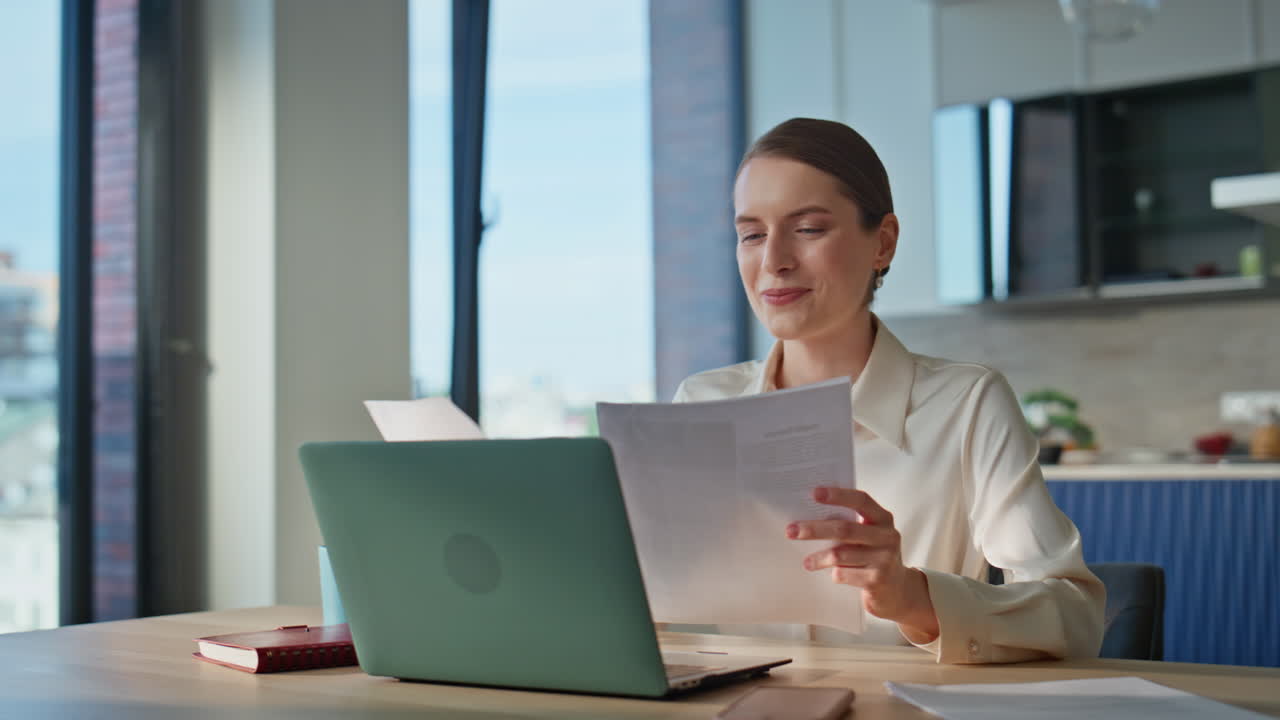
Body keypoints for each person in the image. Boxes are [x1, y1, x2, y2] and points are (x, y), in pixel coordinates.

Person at [671, 118, 1105, 664]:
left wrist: (912, 596)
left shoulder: (967, 406)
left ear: (883, 242)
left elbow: (1076, 617)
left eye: (807, 229)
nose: (773, 261)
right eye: (752, 234)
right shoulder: (700, 405)